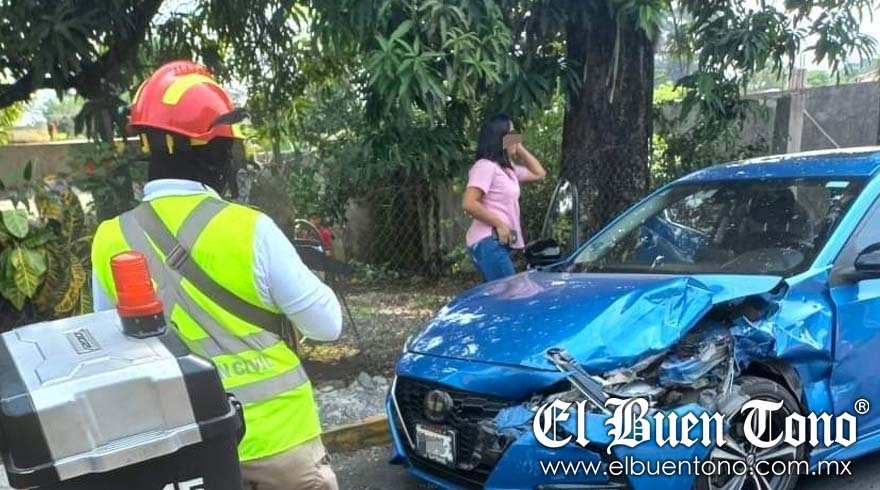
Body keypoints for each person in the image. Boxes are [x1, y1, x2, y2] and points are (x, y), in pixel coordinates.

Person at [89, 61, 342, 490]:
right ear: (212, 152)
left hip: (185, 452)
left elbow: (115, 350)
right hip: (279, 438)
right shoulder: (250, 228)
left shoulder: (109, 238)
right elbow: (327, 325)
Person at [462, 114, 546, 282]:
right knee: (511, 292)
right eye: (512, 134)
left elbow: (539, 173)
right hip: (488, 242)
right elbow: (469, 203)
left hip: (498, 242)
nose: (516, 138)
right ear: (499, 138)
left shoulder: (507, 170)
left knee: (499, 294)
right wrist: (499, 224)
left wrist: (519, 148)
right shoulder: (485, 166)